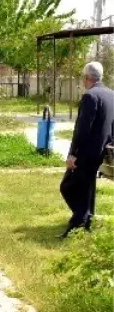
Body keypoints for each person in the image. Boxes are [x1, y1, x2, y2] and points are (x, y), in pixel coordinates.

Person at [60, 61, 114, 238]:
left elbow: (82, 129)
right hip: (104, 152)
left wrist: (73, 154)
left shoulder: (90, 96)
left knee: (68, 186)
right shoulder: (111, 94)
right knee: (86, 187)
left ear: (86, 78)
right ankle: (86, 219)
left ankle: (79, 221)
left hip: (87, 153)